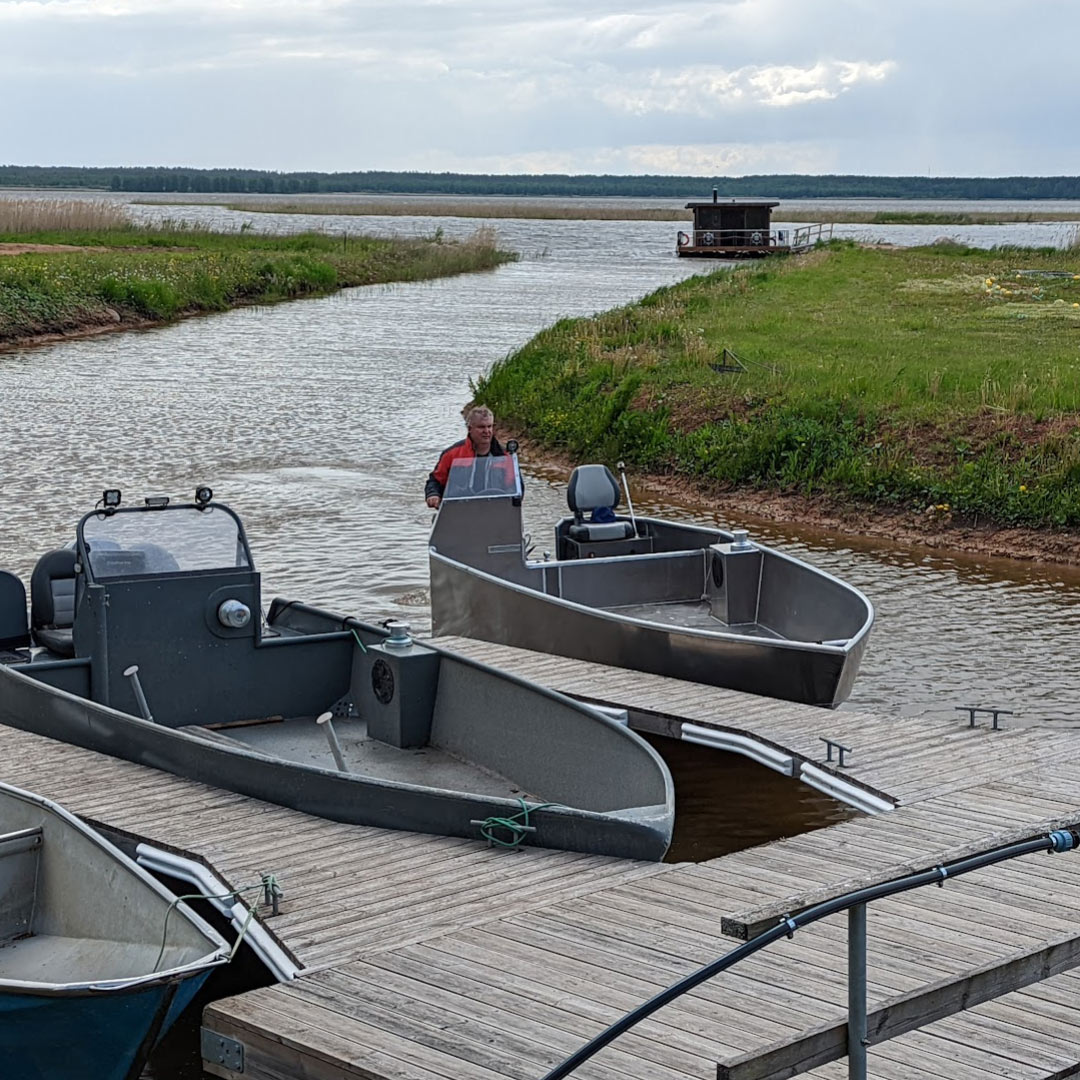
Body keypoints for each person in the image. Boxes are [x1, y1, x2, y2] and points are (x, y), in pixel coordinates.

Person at [425, 406, 510, 509]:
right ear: (470, 429)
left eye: (489, 426)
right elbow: (435, 481)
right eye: (481, 427)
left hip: (494, 511)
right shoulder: (452, 454)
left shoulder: (505, 456)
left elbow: (515, 488)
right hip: (458, 511)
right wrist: (433, 495)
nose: (487, 431)